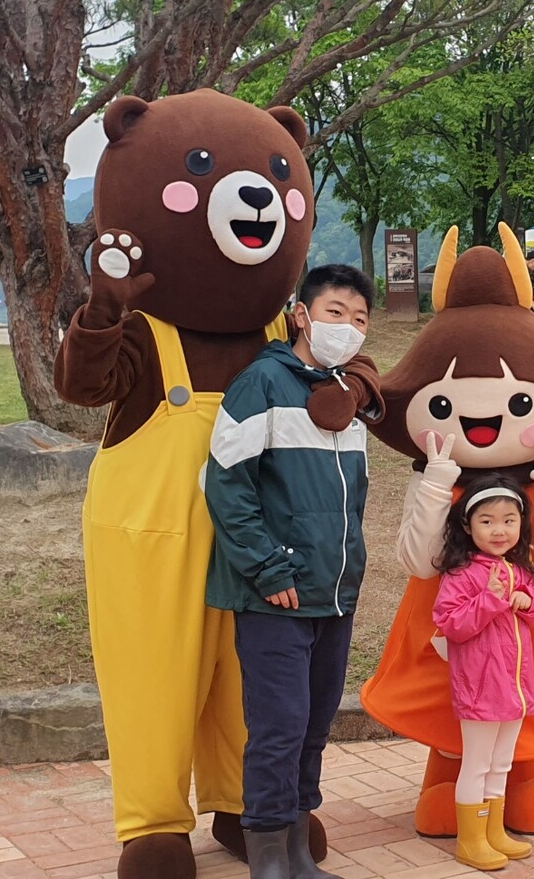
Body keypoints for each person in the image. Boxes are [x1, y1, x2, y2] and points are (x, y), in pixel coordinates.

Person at [204, 264, 384, 879]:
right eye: (335, 312)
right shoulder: (261, 384)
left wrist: (348, 568)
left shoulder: (345, 396)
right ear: (302, 314)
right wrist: (268, 569)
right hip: (276, 596)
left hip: (335, 594)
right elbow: (227, 487)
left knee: (312, 726)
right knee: (278, 729)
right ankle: (268, 857)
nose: (348, 327)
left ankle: (300, 850)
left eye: (359, 319)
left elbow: (349, 501)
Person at [432, 474, 534, 871]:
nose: (499, 530)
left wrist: (526, 598)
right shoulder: (462, 573)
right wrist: (490, 600)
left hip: (515, 687)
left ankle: (494, 831)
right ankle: (471, 840)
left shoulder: (519, 568)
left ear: (521, 524)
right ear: (467, 525)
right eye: (487, 521)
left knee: (502, 762)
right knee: (478, 763)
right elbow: (451, 623)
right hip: (480, 689)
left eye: (508, 520)